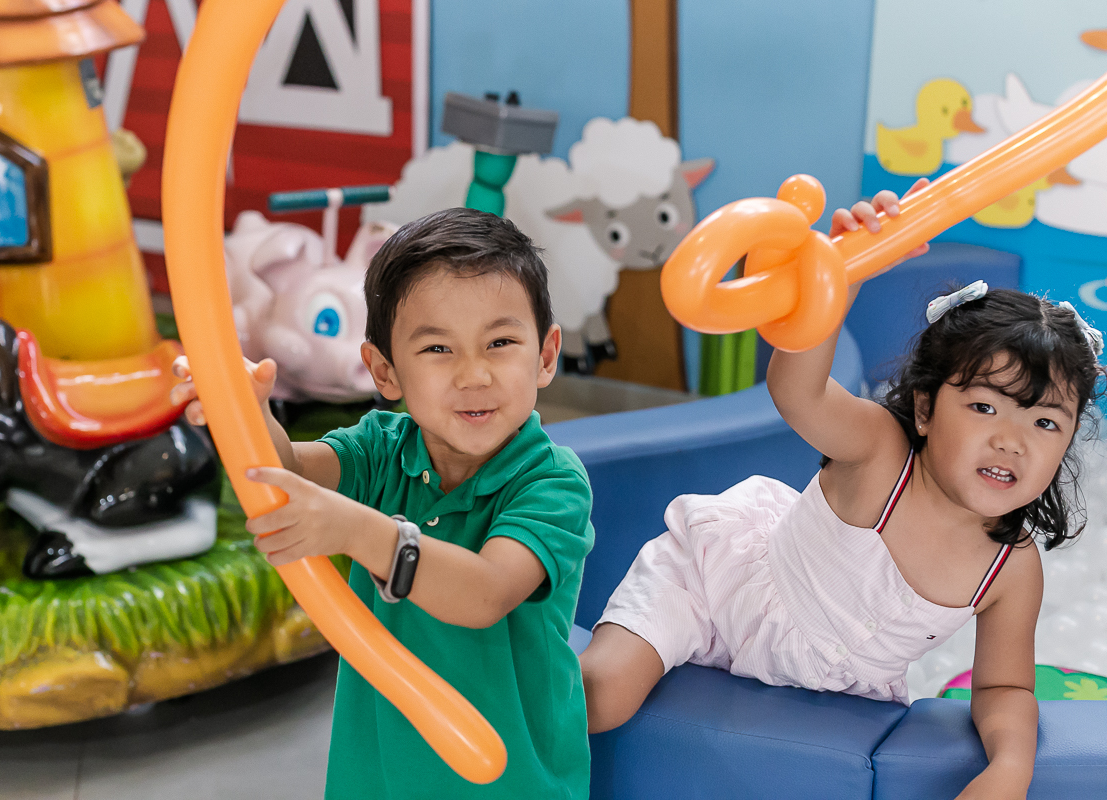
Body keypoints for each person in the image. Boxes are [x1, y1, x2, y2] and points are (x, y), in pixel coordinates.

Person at [578, 183, 1106, 800]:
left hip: (840, 688)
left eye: (1045, 422)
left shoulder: (1011, 567)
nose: (1012, 440)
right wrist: (842, 273)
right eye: (986, 406)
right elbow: (796, 390)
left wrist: (1009, 767)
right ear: (928, 409)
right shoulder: (881, 454)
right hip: (717, 591)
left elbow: (1004, 688)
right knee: (600, 698)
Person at [173, 207, 595, 799]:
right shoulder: (380, 448)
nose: (475, 374)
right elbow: (281, 473)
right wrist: (244, 410)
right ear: (385, 371)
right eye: (438, 350)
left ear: (546, 355)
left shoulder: (550, 483)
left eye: (500, 342)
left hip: (508, 779)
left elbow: (485, 593)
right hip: (381, 772)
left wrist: (358, 532)